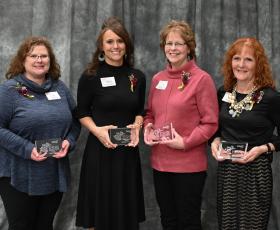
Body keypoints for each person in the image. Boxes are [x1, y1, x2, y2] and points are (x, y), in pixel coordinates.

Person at [144, 20, 219, 230]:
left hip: (188, 166)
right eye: (169, 43)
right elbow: (150, 113)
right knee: (168, 220)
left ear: (189, 48)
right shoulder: (158, 78)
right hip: (160, 163)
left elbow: (210, 123)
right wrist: (148, 128)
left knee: (188, 222)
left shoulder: (202, 79)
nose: (173, 48)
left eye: (179, 43)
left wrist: (185, 142)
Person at [0, 36, 81, 230]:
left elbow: (76, 121)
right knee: (22, 225)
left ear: (50, 60)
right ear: (23, 60)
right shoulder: (9, 90)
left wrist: (69, 142)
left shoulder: (59, 88)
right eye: (33, 56)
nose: (39, 60)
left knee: (45, 225)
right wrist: (28, 149)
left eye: (44, 56)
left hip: (52, 172)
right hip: (17, 173)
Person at [75, 16, 146, 230]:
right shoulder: (90, 76)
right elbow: (81, 111)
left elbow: (140, 110)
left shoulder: (137, 77)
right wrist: (98, 131)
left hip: (126, 153)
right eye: (110, 41)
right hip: (100, 150)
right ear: (101, 46)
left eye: (120, 41)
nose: (116, 46)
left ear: (127, 45)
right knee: (98, 209)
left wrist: (137, 125)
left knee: (125, 211)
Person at [210, 37, 280, 230]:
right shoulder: (223, 92)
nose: (241, 64)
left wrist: (263, 148)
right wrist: (214, 141)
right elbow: (216, 128)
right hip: (227, 172)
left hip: (255, 173)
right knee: (227, 225)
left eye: (248, 59)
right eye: (236, 58)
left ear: (258, 64)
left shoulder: (271, 97)